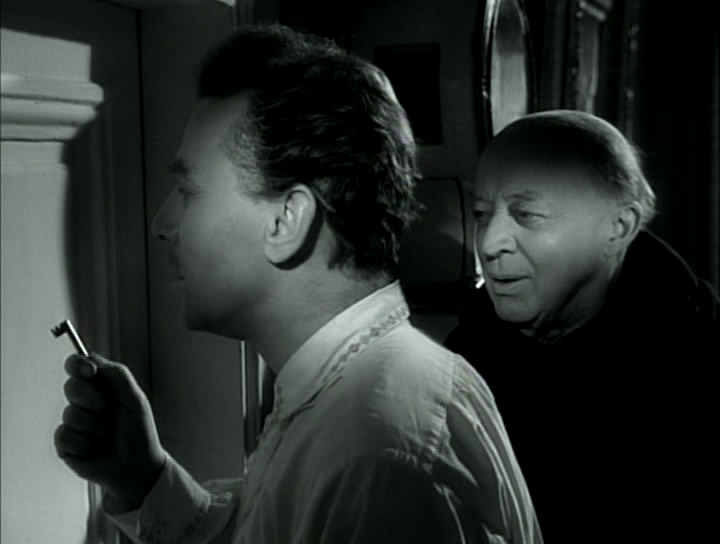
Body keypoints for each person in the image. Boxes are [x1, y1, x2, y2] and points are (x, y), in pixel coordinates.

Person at [54, 24, 542, 544]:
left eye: (189, 191)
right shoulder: (350, 393)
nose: (162, 222)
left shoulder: (377, 460)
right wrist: (142, 480)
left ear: (286, 220)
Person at [445, 109, 719, 543]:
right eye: (481, 213)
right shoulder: (464, 356)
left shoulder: (698, 369)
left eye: (528, 215)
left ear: (619, 227)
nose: (491, 243)